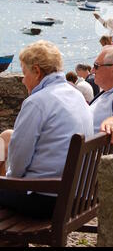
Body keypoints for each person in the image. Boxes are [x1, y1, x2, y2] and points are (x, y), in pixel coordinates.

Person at [0, 40, 94, 220]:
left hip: (46, 199)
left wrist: (8, 182)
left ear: (37, 71)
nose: (22, 79)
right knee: (5, 140)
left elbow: (19, 159)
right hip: (75, 196)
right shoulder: (75, 95)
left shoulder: (37, 102)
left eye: (24, 72)